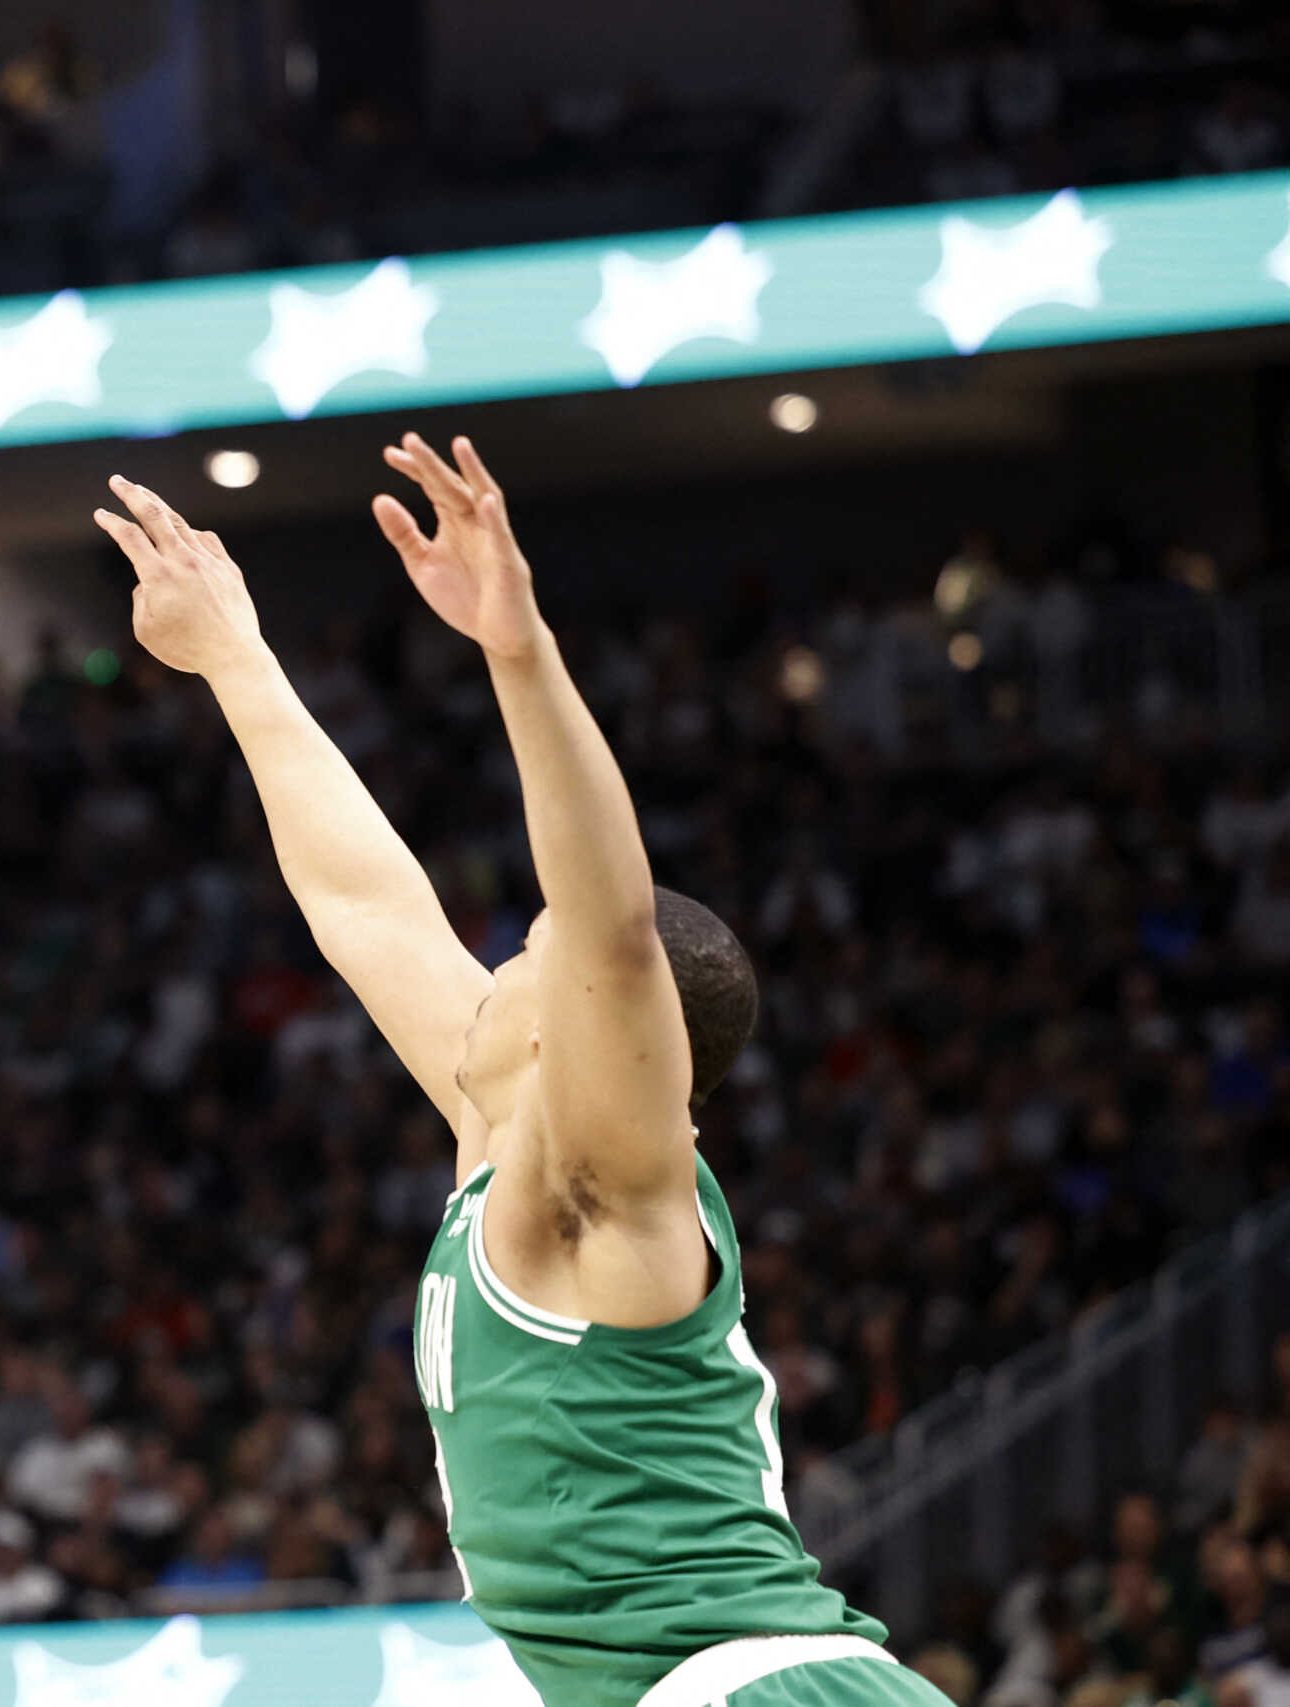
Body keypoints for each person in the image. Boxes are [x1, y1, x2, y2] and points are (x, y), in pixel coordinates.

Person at [93, 435, 946, 1707]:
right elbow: (364, 902)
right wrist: (234, 657)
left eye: (523, 952)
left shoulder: (600, 1184)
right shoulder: (499, 1128)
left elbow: (608, 925)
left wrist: (517, 648)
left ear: (580, 1028)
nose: (490, 961)